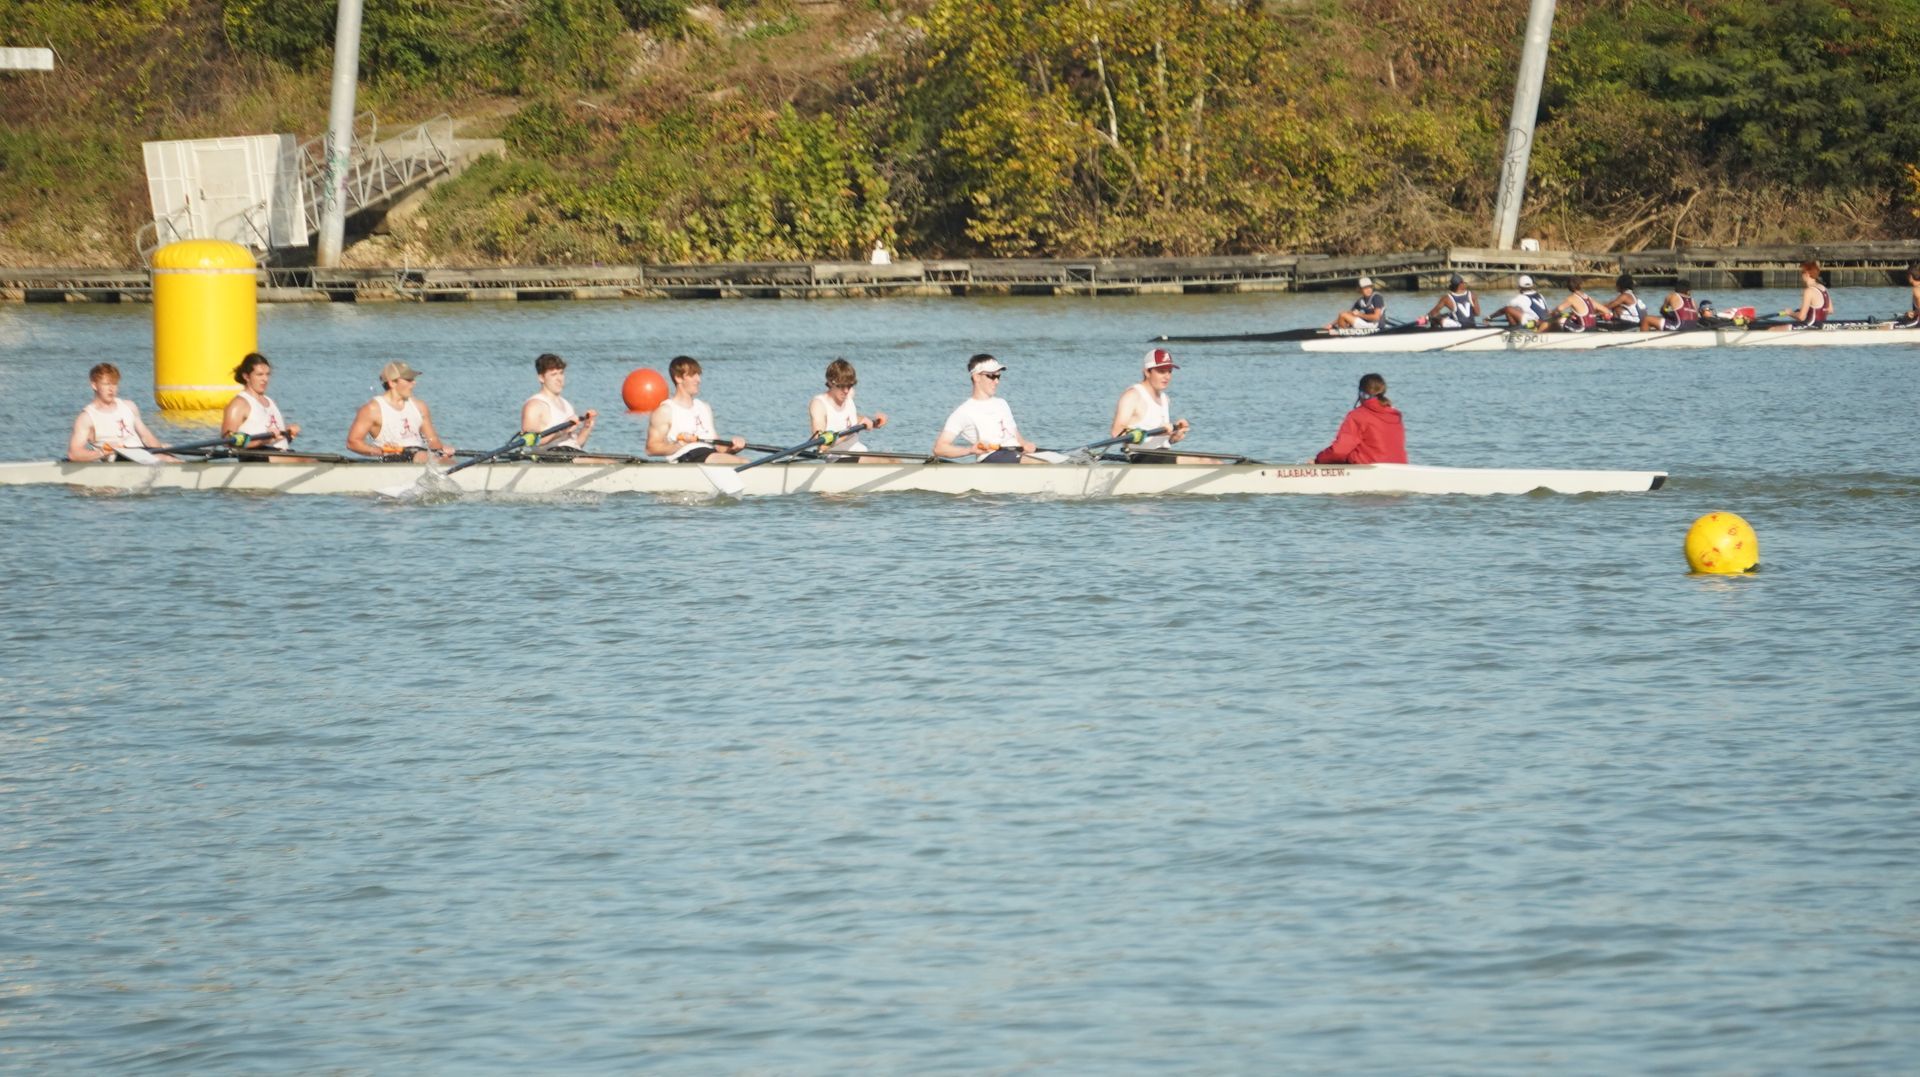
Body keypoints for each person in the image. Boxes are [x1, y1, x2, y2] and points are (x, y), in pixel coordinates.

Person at [933, 353, 1040, 463]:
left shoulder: (1002, 403)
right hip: (991, 457)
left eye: (998, 376)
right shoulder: (963, 411)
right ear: (976, 377)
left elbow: (1016, 436)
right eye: (992, 376)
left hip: (1014, 453)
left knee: (1055, 459)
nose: (997, 381)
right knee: (1040, 463)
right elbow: (939, 448)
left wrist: (1025, 444)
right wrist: (970, 450)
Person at [347, 361, 455, 462]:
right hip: (392, 458)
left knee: (443, 460)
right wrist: (379, 451)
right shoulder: (372, 409)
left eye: (413, 379)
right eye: (408, 380)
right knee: (429, 458)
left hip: (418, 455)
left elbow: (433, 441)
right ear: (392, 383)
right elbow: (353, 443)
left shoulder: (420, 406)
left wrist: (442, 451)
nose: (414, 383)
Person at [646, 355, 746, 464]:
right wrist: (681, 444)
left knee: (745, 462)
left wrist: (733, 448)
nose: (698, 380)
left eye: (698, 374)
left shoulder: (704, 408)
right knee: (743, 462)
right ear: (678, 378)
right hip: (687, 457)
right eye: (692, 375)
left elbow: (718, 447)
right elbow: (651, 449)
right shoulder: (665, 411)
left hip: (710, 454)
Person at [1108, 348, 1201, 463]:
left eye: (1169, 371)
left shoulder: (1165, 398)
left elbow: (1160, 440)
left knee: (1213, 462)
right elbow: (1116, 432)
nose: (1167, 376)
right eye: (1161, 371)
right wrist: (1158, 431)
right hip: (1141, 457)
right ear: (1147, 372)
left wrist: (1173, 437)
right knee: (1205, 462)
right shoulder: (1133, 396)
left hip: (1161, 454)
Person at [67, 362, 170, 462]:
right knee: (165, 459)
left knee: (170, 458)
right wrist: (102, 452)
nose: (111, 389)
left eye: (114, 384)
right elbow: (74, 453)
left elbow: (146, 437)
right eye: (106, 384)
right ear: (94, 385)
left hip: (141, 453)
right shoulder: (86, 418)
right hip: (117, 457)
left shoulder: (129, 406)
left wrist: (161, 449)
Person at [1314, 373, 1407, 465]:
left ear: (1362, 394)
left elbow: (1339, 451)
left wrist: (1318, 460)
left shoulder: (1358, 416)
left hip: (1369, 471)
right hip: (1400, 469)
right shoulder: (1395, 415)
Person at [220, 352, 301, 453]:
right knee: (311, 462)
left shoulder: (271, 402)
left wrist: (288, 434)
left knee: (318, 461)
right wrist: (262, 441)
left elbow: (277, 441)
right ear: (246, 376)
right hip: (256, 458)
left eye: (267, 374)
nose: (265, 379)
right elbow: (227, 440)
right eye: (260, 375)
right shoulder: (238, 404)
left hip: (279, 456)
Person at [808, 358, 888, 460]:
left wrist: (874, 422)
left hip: (858, 453)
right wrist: (851, 430)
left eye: (849, 385)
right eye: (841, 386)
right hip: (837, 458)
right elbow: (822, 445)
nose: (846, 391)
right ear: (830, 382)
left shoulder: (849, 395)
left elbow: (848, 418)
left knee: (892, 459)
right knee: (882, 461)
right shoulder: (819, 404)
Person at [519, 353, 596, 455]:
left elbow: (575, 445)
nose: (559, 379)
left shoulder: (566, 404)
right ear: (541, 378)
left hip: (568, 455)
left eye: (561, 373)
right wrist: (562, 431)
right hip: (548, 457)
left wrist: (587, 428)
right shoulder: (534, 405)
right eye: (554, 375)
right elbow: (531, 441)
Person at [1773, 260, 1832, 331]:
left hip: (1810, 326)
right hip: (1821, 326)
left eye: (1802, 273)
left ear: (1807, 274)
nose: (1801, 275)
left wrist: (1790, 313)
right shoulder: (1823, 288)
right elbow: (1830, 310)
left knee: (1772, 329)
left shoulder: (1809, 291)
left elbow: (1801, 317)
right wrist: (1808, 311)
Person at [1897, 264, 1920, 329]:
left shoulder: (1917, 290)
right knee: (1899, 320)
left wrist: (1913, 313)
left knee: (1891, 327)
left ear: (1910, 276)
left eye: (1907, 275)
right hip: (1916, 319)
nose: (1906, 277)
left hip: (1918, 322)